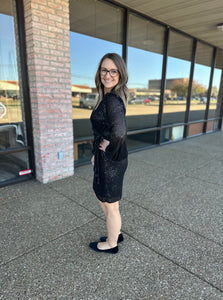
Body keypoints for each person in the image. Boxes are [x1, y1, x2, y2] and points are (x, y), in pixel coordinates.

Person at [89, 53, 128, 254]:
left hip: (112, 160)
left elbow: (119, 133)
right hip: (107, 159)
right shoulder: (106, 96)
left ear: (120, 74)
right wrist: (98, 151)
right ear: (99, 72)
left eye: (113, 71)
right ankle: (116, 231)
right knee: (103, 198)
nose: (108, 75)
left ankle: (112, 243)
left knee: (110, 204)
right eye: (104, 70)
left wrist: (108, 149)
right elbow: (109, 129)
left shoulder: (112, 99)